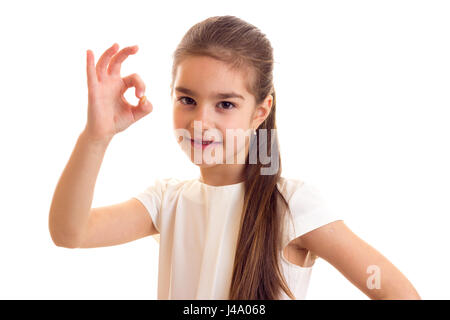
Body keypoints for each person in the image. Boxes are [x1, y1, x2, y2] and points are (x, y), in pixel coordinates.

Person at [48, 15, 421, 300]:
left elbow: (396, 291)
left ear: (260, 111)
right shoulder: (166, 201)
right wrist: (96, 137)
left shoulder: (292, 205)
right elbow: (69, 232)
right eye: (187, 100)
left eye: (225, 104)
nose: (200, 122)